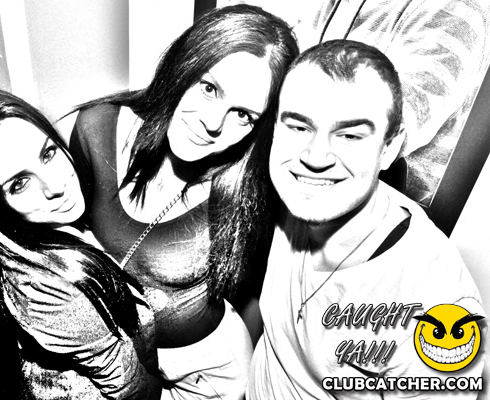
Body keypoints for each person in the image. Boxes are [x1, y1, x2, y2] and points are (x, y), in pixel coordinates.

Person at [66, 4, 298, 399]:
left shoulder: (248, 193)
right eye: (209, 88)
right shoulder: (96, 129)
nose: (213, 123)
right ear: (184, 64)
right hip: (114, 358)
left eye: (243, 115)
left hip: (205, 375)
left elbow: (257, 298)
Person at [247, 39, 485, 399]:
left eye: (350, 135)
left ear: (389, 148)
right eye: (299, 127)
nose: (315, 157)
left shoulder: (437, 308)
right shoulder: (289, 196)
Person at [0, 88, 162, 399]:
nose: (56, 186)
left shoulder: (46, 227)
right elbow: (129, 388)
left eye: (48, 153)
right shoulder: (53, 289)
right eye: (20, 184)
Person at [226, 0, 490, 202]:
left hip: (377, 211)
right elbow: (287, 69)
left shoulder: (454, 7)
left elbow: (391, 122)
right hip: (305, 187)